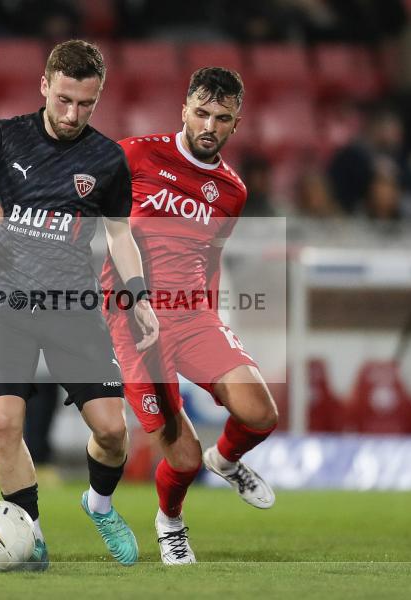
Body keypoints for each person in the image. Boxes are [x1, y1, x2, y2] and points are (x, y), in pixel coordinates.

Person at [0, 40, 159, 570]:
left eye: (86, 104)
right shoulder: (3, 136)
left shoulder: (106, 159)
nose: (73, 114)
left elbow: (120, 235)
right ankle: (29, 533)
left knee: (110, 430)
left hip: (72, 308)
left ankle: (99, 505)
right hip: (4, 303)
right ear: (44, 86)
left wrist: (139, 297)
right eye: (64, 100)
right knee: (5, 423)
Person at [101, 67, 279, 565]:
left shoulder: (231, 192)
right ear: (184, 110)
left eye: (222, 118)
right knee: (180, 456)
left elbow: (212, 256)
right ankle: (170, 522)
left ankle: (225, 459)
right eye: (201, 113)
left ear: (235, 124)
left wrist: (213, 314)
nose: (209, 125)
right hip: (132, 321)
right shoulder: (133, 154)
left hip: (193, 316)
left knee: (261, 414)